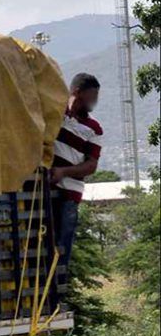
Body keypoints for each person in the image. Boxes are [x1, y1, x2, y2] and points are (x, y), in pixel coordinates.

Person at [51, 73, 103, 268]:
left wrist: (62, 172)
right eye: (93, 95)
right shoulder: (55, 113)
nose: (95, 100)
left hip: (69, 195)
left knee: (61, 248)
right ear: (77, 93)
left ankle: (58, 286)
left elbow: (91, 165)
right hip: (43, 191)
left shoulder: (94, 128)